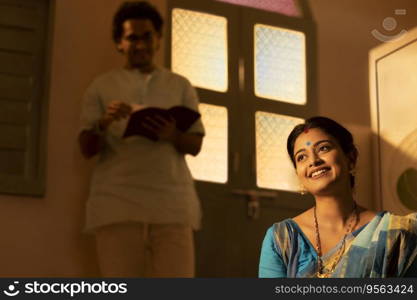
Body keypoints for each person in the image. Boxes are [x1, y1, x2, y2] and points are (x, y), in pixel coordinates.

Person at [78, 1, 205, 277]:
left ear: (158, 39)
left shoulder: (180, 85)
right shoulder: (101, 86)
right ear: (119, 43)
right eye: (131, 37)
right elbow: (87, 149)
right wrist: (105, 122)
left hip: (173, 205)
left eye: (147, 36)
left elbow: (196, 144)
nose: (140, 44)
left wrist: (172, 135)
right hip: (116, 204)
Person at [259, 116, 417, 278]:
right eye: (301, 157)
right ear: (298, 174)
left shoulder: (396, 234)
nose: (313, 161)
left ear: (351, 158)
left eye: (323, 148)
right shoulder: (282, 240)